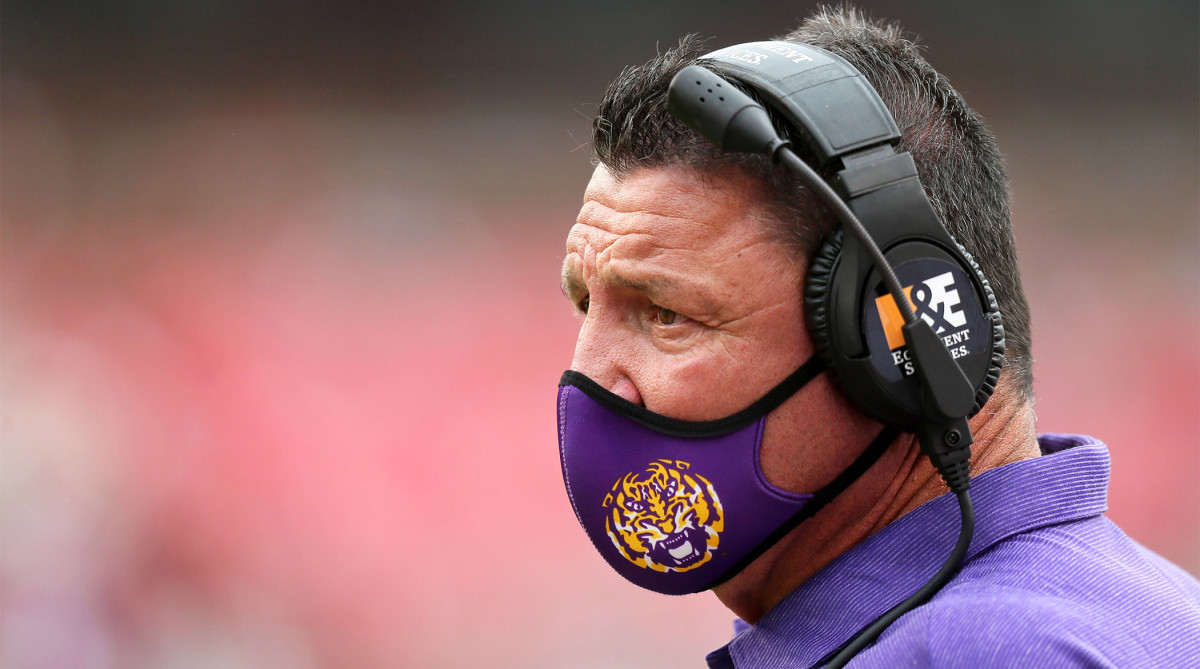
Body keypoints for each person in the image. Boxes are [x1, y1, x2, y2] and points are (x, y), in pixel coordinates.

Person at [554, 6, 1200, 668]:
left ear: (898, 340)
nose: (589, 374)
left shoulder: (980, 652)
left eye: (666, 313)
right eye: (584, 304)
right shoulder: (1134, 605)